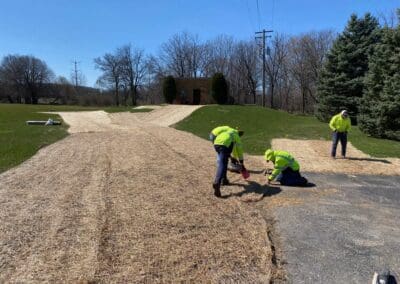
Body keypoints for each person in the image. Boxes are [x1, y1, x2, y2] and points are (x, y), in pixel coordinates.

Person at [212, 128, 244, 197]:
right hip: (224, 146)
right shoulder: (236, 136)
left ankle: (224, 180)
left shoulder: (228, 131)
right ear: (239, 134)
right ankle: (217, 182)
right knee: (222, 164)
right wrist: (241, 162)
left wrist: (231, 157)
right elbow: (239, 150)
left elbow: (224, 145)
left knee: (224, 161)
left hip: (216, 143)